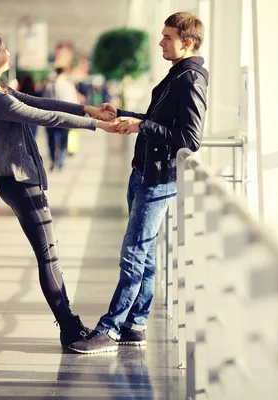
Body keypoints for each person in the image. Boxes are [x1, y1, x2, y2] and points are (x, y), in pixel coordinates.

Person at [0, 33, 120, 347]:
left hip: (16, 181)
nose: (9, 52)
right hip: (22, 183)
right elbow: (45, 117)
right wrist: (99, 125)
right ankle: (69, 328)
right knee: (49, 257)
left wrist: (88, 110)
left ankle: (69, 324)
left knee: (48, 256)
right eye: (3, 49)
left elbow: (41, 102)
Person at [69, 12, 209, 354]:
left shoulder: (191, 78)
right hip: (144, 172)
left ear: (187, 42)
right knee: (143, 255)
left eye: (167, 37)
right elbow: (162, 122)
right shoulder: (177, 74)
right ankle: (136, 324)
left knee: (133, 253)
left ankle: (110, 329)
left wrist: (141, 127)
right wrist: (131, 119)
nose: (160, 42)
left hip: (157, 179)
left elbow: (190, 138)